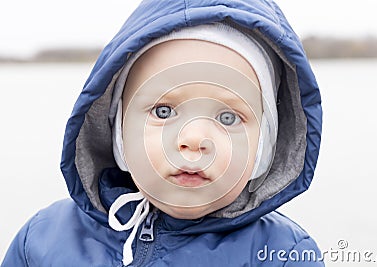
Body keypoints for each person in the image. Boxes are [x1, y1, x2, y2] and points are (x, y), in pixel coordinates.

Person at [2, 0, 324, 266]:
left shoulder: (284, 255)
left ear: (264, 147)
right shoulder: (43, 241)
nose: (194, 139)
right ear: (118, 132)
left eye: (228, 117)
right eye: (163, 111)